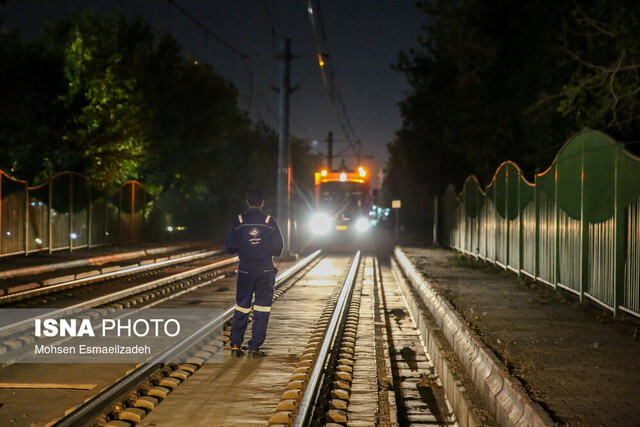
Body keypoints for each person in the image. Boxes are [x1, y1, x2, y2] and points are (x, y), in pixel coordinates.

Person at [224, 189, 284, 358]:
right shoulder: (269, 222)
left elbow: (229, 247)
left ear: (247, 202)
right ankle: (254, 347)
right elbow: (278, 248)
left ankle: (236, 345)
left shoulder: (239, 221)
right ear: (262, 203)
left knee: (242, 306)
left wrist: (244, 248)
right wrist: (264, 250)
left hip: (245, 271)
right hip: (265, 271)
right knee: (262, 308)